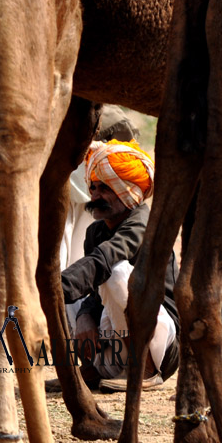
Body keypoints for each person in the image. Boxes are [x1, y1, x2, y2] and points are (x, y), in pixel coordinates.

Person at [59, 138, 179, 392]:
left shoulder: (145, 224)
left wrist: (56, 287)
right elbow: (94, 289)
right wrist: (84, 317)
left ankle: (144, 371)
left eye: (105, 188)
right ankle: (91, 369)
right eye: (92, 187)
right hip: (115, 346)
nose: (95, 195)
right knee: (72, 294)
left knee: (116, 272)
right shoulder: (95, 231)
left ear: (128, 191)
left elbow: (106, 259)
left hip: (159, 344)